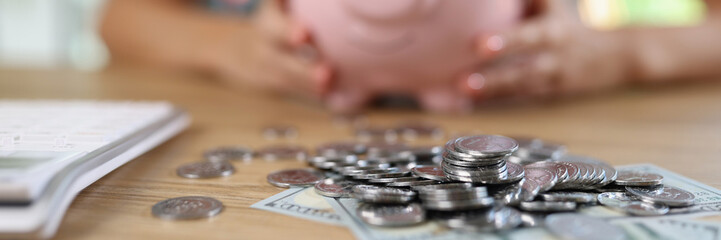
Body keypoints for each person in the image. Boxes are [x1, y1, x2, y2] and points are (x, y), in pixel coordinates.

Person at [101, 0, 721, 113]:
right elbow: (116, 19)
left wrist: (628, 54)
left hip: (535, 113)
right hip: (290, 108)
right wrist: (223, 44)